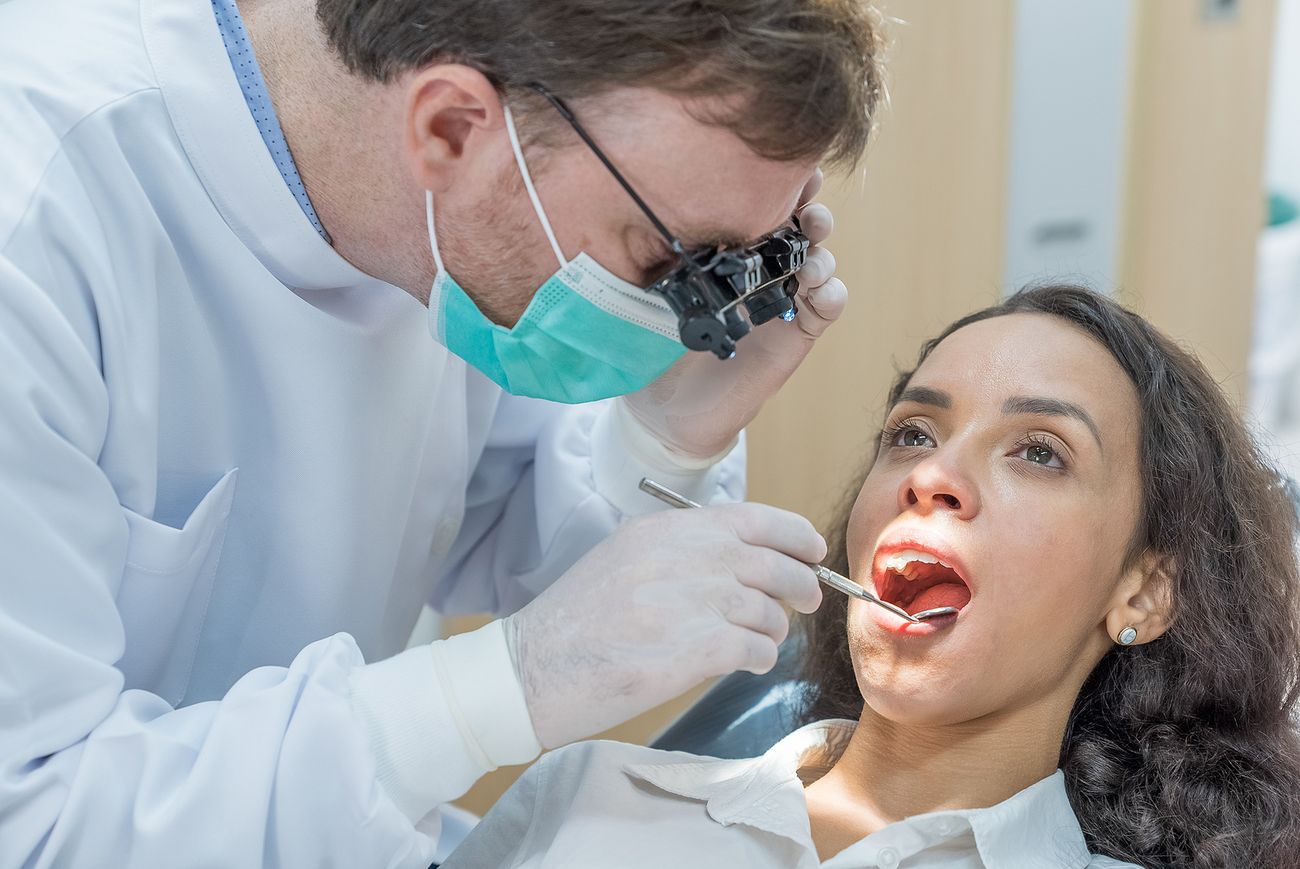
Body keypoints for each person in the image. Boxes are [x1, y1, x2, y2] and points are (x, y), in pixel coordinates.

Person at [0, 0, 886, 865]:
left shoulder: (466, 225)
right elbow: (31, 822)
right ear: (453, 128)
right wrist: (494, 691)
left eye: (746, 257)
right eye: (673, 261)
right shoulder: (35, 222)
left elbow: (539, 567)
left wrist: (663, 436)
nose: (687, 309)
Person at [443, 285, 1300, 868]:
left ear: (1143, 593)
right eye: (914, 434)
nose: (930, 477)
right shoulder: (590, 797)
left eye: (1040, 452)